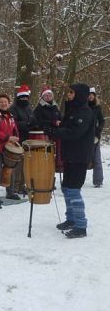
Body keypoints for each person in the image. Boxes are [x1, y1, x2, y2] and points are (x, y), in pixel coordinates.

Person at [48, 84, 95, 238]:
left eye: (72, 92)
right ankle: (71, 219)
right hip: (69, 155)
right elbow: (66, 127)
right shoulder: (73, 110)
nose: (69, 95)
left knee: (74, 190)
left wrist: (56, 132)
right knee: (67, 188)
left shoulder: (86, 112)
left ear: (80, 94)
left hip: (79, 157)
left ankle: (81, 225)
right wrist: (55, 127)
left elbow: (75, 133)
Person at [0, 94, 20, 204]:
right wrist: (7, 137)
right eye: (1, 101)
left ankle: (10, 192)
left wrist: (16, 137)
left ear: (8, 103)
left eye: (5, 102)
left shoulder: (10, 115)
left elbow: (14, 128)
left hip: (9, 147)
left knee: (11, 168)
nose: (3, 103)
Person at [10, 84, 34, 194]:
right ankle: (14, 186)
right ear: (18, 98)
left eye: (26, 97)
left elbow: (33, 119)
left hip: (28, 139)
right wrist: (28, 124)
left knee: (25, 164)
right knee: (18, 164)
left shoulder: (29, 108)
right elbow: (14, 123)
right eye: (22, 97)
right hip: (17, 139)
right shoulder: (13, 108)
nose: (24, 99)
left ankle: (21, 185)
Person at [88, 87, 105, 187]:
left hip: (94, 136)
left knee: (97, 159)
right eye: (89, 94)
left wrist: (98, 130)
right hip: (83, 136)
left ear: (94, 96)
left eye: (92, 94)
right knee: (82, 159)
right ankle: (78, 179)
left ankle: (98, 181)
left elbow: (102, 121)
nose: (90, 96)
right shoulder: (82, 106)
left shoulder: (97, 107)